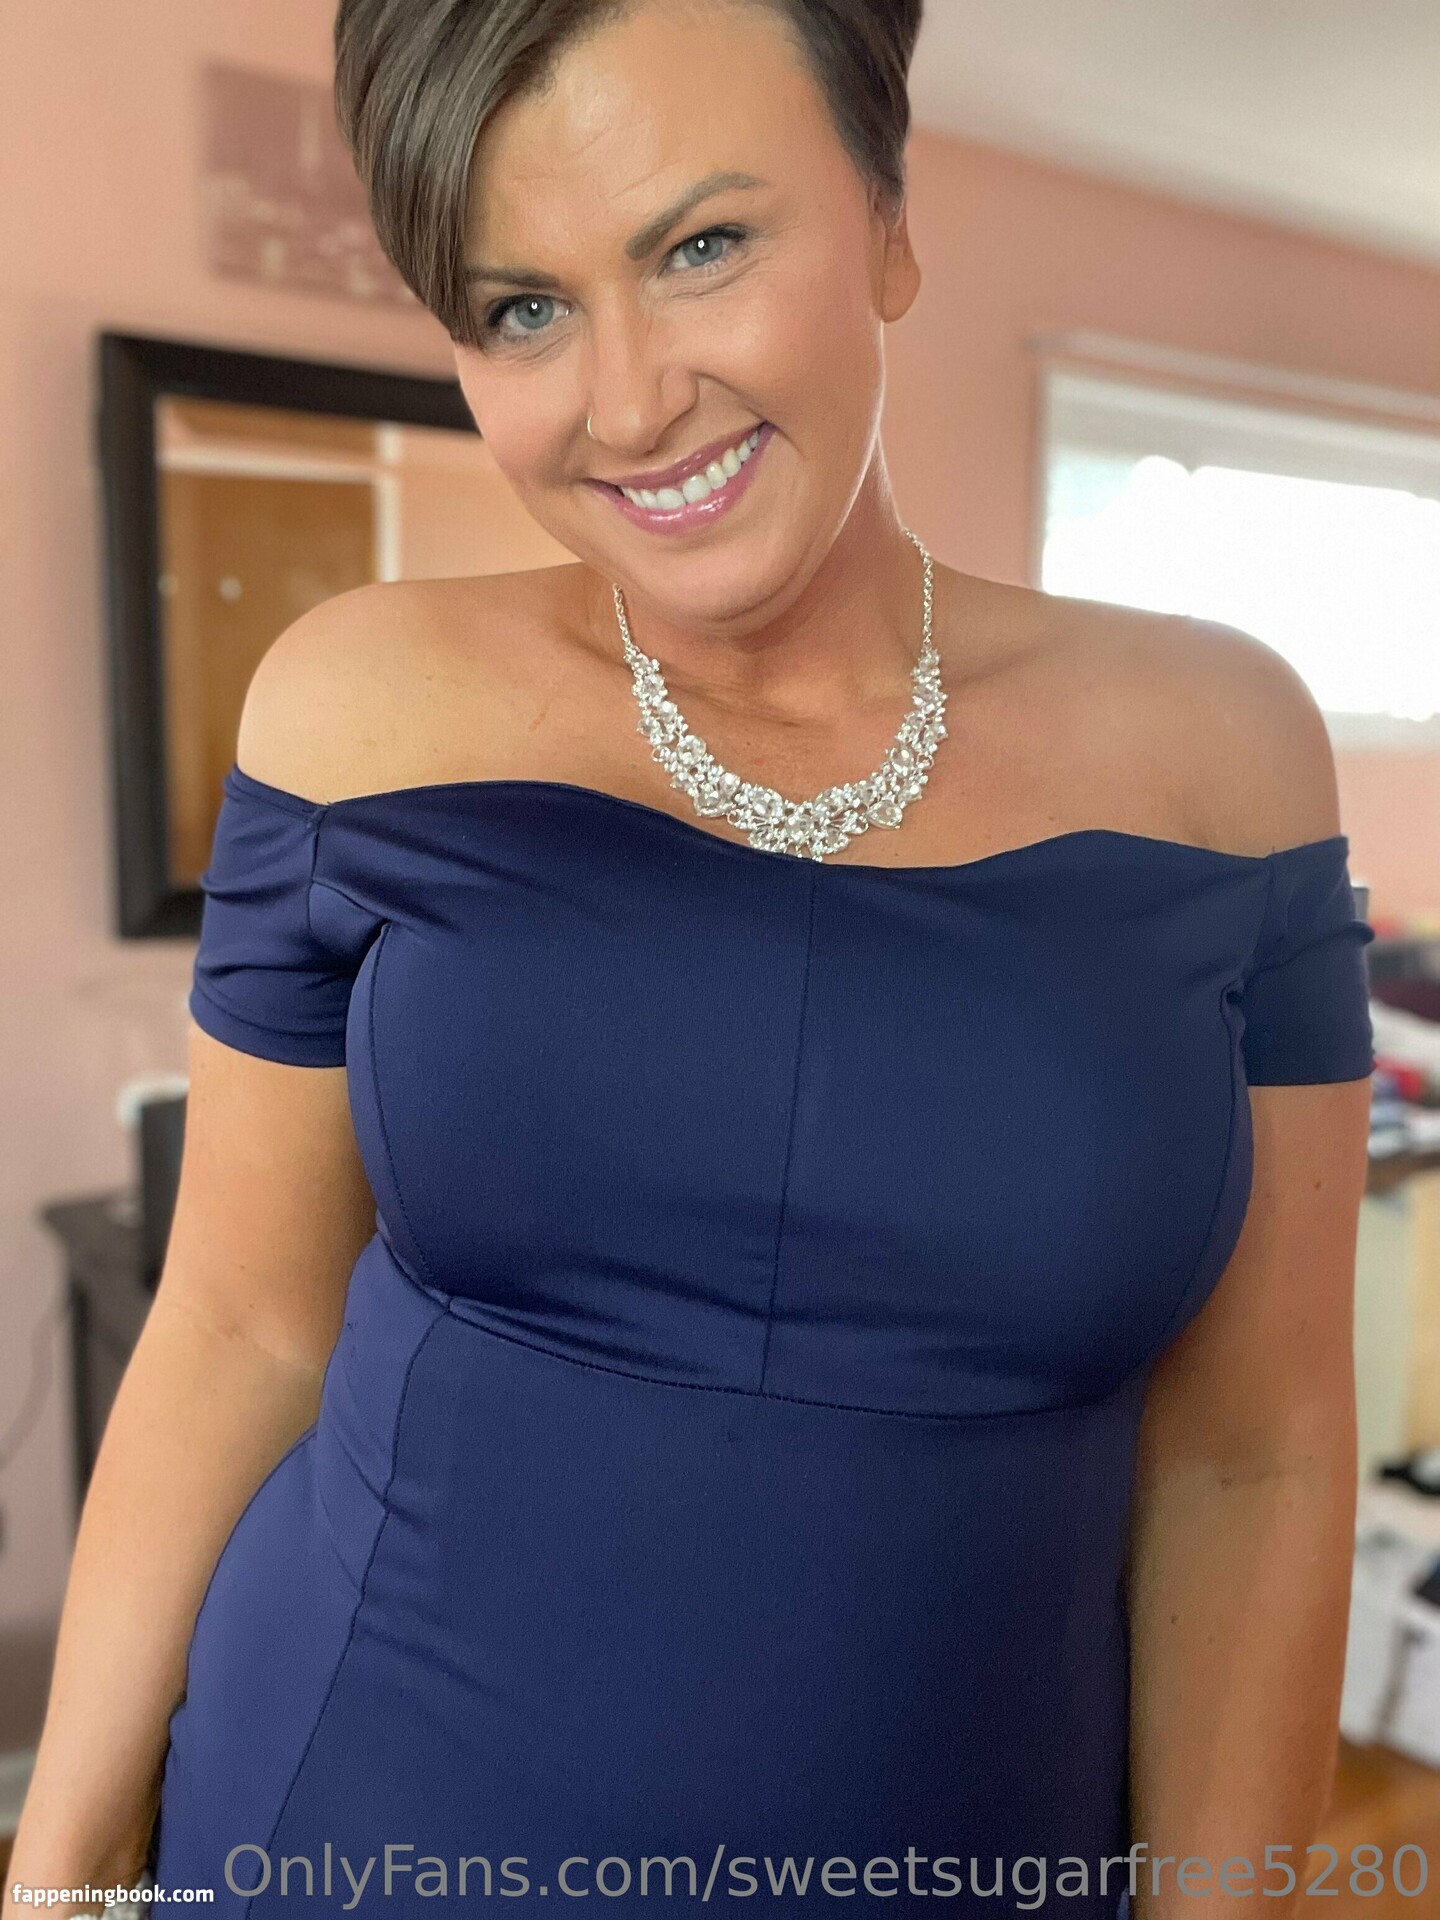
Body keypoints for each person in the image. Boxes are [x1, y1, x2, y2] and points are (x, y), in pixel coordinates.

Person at [7, 1, 1375, 1915]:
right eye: (521, 309)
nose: (631, 401)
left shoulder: (1225, 757)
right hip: (342, 1830)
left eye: (703, 245)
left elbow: (1259, 1455)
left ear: (890, 221)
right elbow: (240, 1328)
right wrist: (61, 1869)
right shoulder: (360, 708)